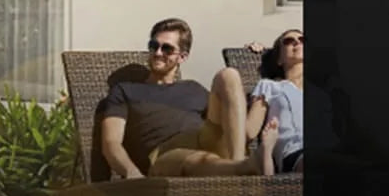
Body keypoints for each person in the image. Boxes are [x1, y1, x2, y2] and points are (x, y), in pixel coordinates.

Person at [96, 18, 278, 179]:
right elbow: (111, 143)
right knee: (196, 158)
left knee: (228, 75)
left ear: (182, 57)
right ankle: (244, 169)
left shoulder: (194, 89)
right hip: (164, 154)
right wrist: (131, 172)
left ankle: (239, 165)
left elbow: (240, 130)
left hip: (205, 141)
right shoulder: (126, 90)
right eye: (153, 46)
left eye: (167, 48)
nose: (158, 52)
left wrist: (262, 56)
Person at [245, 29, 308, 174]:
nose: (297, 42)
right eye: (288, 41)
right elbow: (249, 132)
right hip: (296, 153)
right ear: (279, 59)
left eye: (302, 40)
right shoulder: (269, 86)